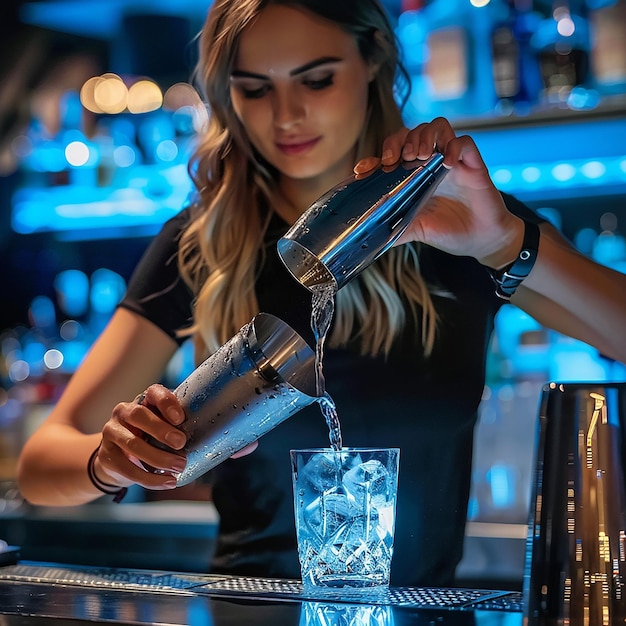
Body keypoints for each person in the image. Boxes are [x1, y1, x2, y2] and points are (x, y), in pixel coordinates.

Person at [17, 0, 626, 588]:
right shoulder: (206, 242)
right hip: (249, 613)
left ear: (374, 64)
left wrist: (500, 242)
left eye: (316, 80)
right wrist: (110, 460)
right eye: (255, 88)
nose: (285, 116)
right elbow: (42, 467)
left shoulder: (463, 221)